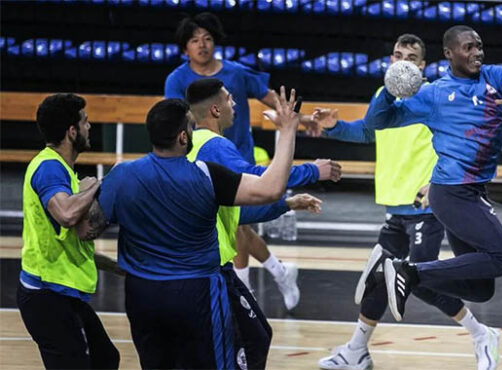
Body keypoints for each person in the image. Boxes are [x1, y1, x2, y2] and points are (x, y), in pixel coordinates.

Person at [77, 87, 301, 369]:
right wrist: (288, 130)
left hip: (143, 294)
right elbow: (271, 188)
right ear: (184, 137)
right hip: (197, 294)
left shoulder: (121, 175)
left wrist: (85, 193)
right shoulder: (206, 175)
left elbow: (86, 230)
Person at [361, 25, 502, 369]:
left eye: (479, 47)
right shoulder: (433, 95)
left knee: (481, 288)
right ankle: (407, 271)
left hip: (473, 191)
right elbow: (378, 121)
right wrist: (388, 90)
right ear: (449, 54)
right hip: (450, 193)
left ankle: (401, 272)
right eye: (468, 48)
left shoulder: (494, 77)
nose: (477, 53)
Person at [312, 34, 492, 370]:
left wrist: (435, 182)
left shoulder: (433, 96)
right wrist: (332, 128)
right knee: (384, 279)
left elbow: (464, 145)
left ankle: (481, 333)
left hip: (425, 206)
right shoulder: (383, 96)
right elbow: (367, 132)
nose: (403, 60)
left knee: (416, 279)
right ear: (391, 61)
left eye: (411, 56)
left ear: (422, 66)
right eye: (397, 54)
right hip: (395, 209)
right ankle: (356, 350)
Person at [164, 12, 329, 303]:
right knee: (236, 224)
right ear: (185, 47)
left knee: (237, 223)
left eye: (207, 38)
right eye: (194, 40)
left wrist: (303, 120)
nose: (202, 45)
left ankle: (244, 292)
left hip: (236, 156)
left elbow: (271, 99)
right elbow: (173, 120)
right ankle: (277, 272)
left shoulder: (236, 73)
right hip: (202, 158)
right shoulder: (177, 79)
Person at [185, 77, 328, 368]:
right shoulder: (215, 147)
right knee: (247, 343)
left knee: (256, 336)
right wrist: (312, 171)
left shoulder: (194, 144)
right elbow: (262, 184)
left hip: (203, 267)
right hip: (209, 271)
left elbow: (240, 212)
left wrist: (287, 204)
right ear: (215, 109)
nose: (234, 103)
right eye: (228, 98)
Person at [17, 93, 120, 369]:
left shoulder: (63, 170)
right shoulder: (50, 168)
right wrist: (99, 185)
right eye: (85, 122)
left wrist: (117, 267)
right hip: (46, 297)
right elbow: (65, 214)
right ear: (72, 131)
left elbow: (71, 241)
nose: (90, 127)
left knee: (106, 359)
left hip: (61, 293)